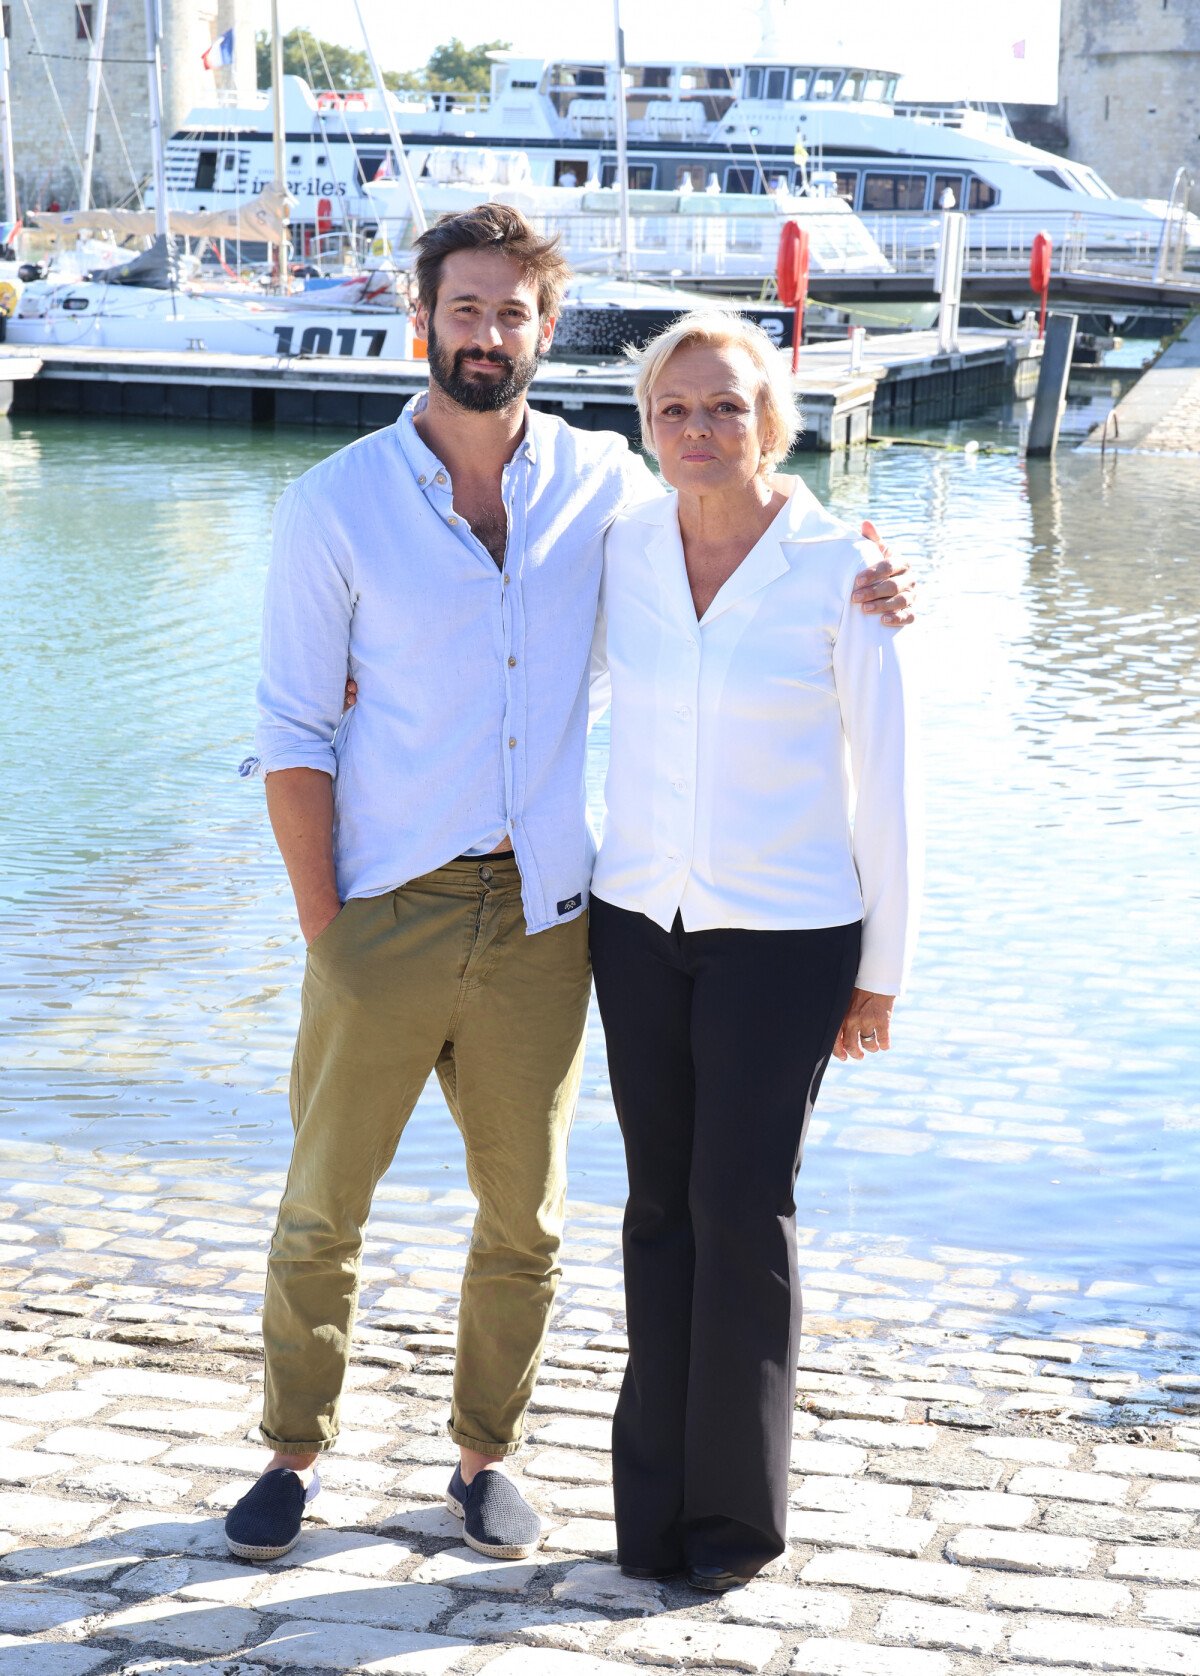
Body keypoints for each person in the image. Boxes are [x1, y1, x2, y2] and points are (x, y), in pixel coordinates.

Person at [226, 203, 913, 1566]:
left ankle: (484, 1460)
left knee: (526, 1220)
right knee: (322, 1207)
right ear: (421, 319)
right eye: (464, 310)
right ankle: (292, 1456)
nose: (488, 335)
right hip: (387, 907)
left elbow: (748, 516)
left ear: (548, 329)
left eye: (513, 313)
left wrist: (873, 571)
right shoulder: (336, 503)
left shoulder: (605, 488)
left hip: (550, 913)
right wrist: (328, 928)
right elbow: (291, 734)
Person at [587, 310, 921, 1593]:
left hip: (788, 936)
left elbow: (888, 776)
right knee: (658, 1207)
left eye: (726, 405)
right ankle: (649, 1516)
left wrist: (881, 967)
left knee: (743, 1208)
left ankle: (734, 1523)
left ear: (772, 418)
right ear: (648, 427)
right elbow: (538, 674)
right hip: (637, 922)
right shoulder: (620, 550)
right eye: (675, 409)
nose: (700, 429)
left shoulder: (843, 563)